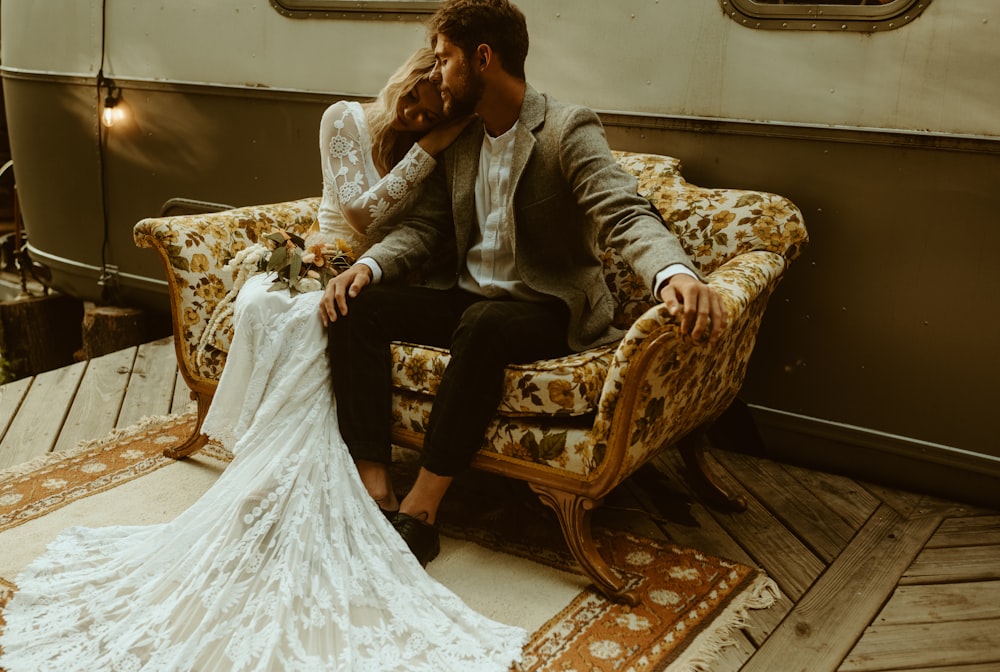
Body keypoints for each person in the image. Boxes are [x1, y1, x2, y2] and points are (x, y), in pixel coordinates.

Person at [0, 48, 527, 672]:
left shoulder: (448, 151)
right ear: (400, 82)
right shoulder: (346, 120)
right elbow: (359, 213)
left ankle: (345, 488)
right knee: (298, 313)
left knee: (334, 318)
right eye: (410, 100)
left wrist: (400, 215)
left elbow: (421, 234)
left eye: (426, 114)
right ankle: (294, 481)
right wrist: (429, 147)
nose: (411, 114)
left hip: (369, 278)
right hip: (323, 262)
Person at [322, 0, 729, 567]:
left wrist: (673, 273)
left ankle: (420, 509)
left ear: (482, 58)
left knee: (484, 322)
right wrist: (366, 267)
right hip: (469, 302)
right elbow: (423, 228)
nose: (434, 73)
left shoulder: (565, 128)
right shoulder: (458, 136)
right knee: (356, 304)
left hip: (547, 307)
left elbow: (624, 210)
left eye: (443, 60)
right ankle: (375, 486)